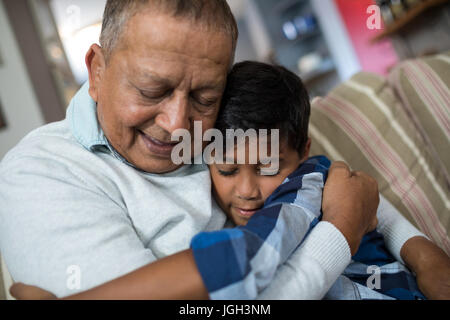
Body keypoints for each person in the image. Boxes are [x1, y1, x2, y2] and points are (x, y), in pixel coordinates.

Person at [2, 0, 380, 300]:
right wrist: (341, 231)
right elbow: (343, 206)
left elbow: (327, 179)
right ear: (97, 71)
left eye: (204, 97)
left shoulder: (221, 131)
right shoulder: (40, 175)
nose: (177, 125)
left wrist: (419, 252)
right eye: (152, 91)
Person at [10, 61, 450, 300]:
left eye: (268, 167)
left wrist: (425, 256)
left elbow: (248, 261)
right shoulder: (47, 169)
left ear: (303, 151)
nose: (247, 190)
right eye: (226, 171)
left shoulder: (302, 186)